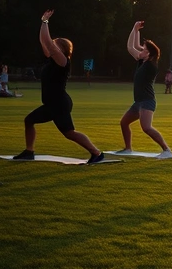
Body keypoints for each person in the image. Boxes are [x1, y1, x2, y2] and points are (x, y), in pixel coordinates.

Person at [13, 10, 105, 164]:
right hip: (51, 104)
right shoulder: (51, 60)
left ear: (61, 49)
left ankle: (97, 153)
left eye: (55, 44)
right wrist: (43, 21)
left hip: (59, 104)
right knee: (29, 121)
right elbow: (44, 42)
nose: (52, 46)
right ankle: (29, 151)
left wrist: (45, 22)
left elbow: (48, 42)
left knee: (69, 133)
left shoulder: (63, 61)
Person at [116, 21, 172, 158]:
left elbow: (132, 47)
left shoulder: (151, 66)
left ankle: (167, 150)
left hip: (147, 101)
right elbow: (132, 46)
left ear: (149, 54)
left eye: (144, 50)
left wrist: (135, 30)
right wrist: (135, 30)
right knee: (124, 122)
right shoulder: (143, 61)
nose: (140, 51)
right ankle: (128, 148)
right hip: (138, 102)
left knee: (146, 128)